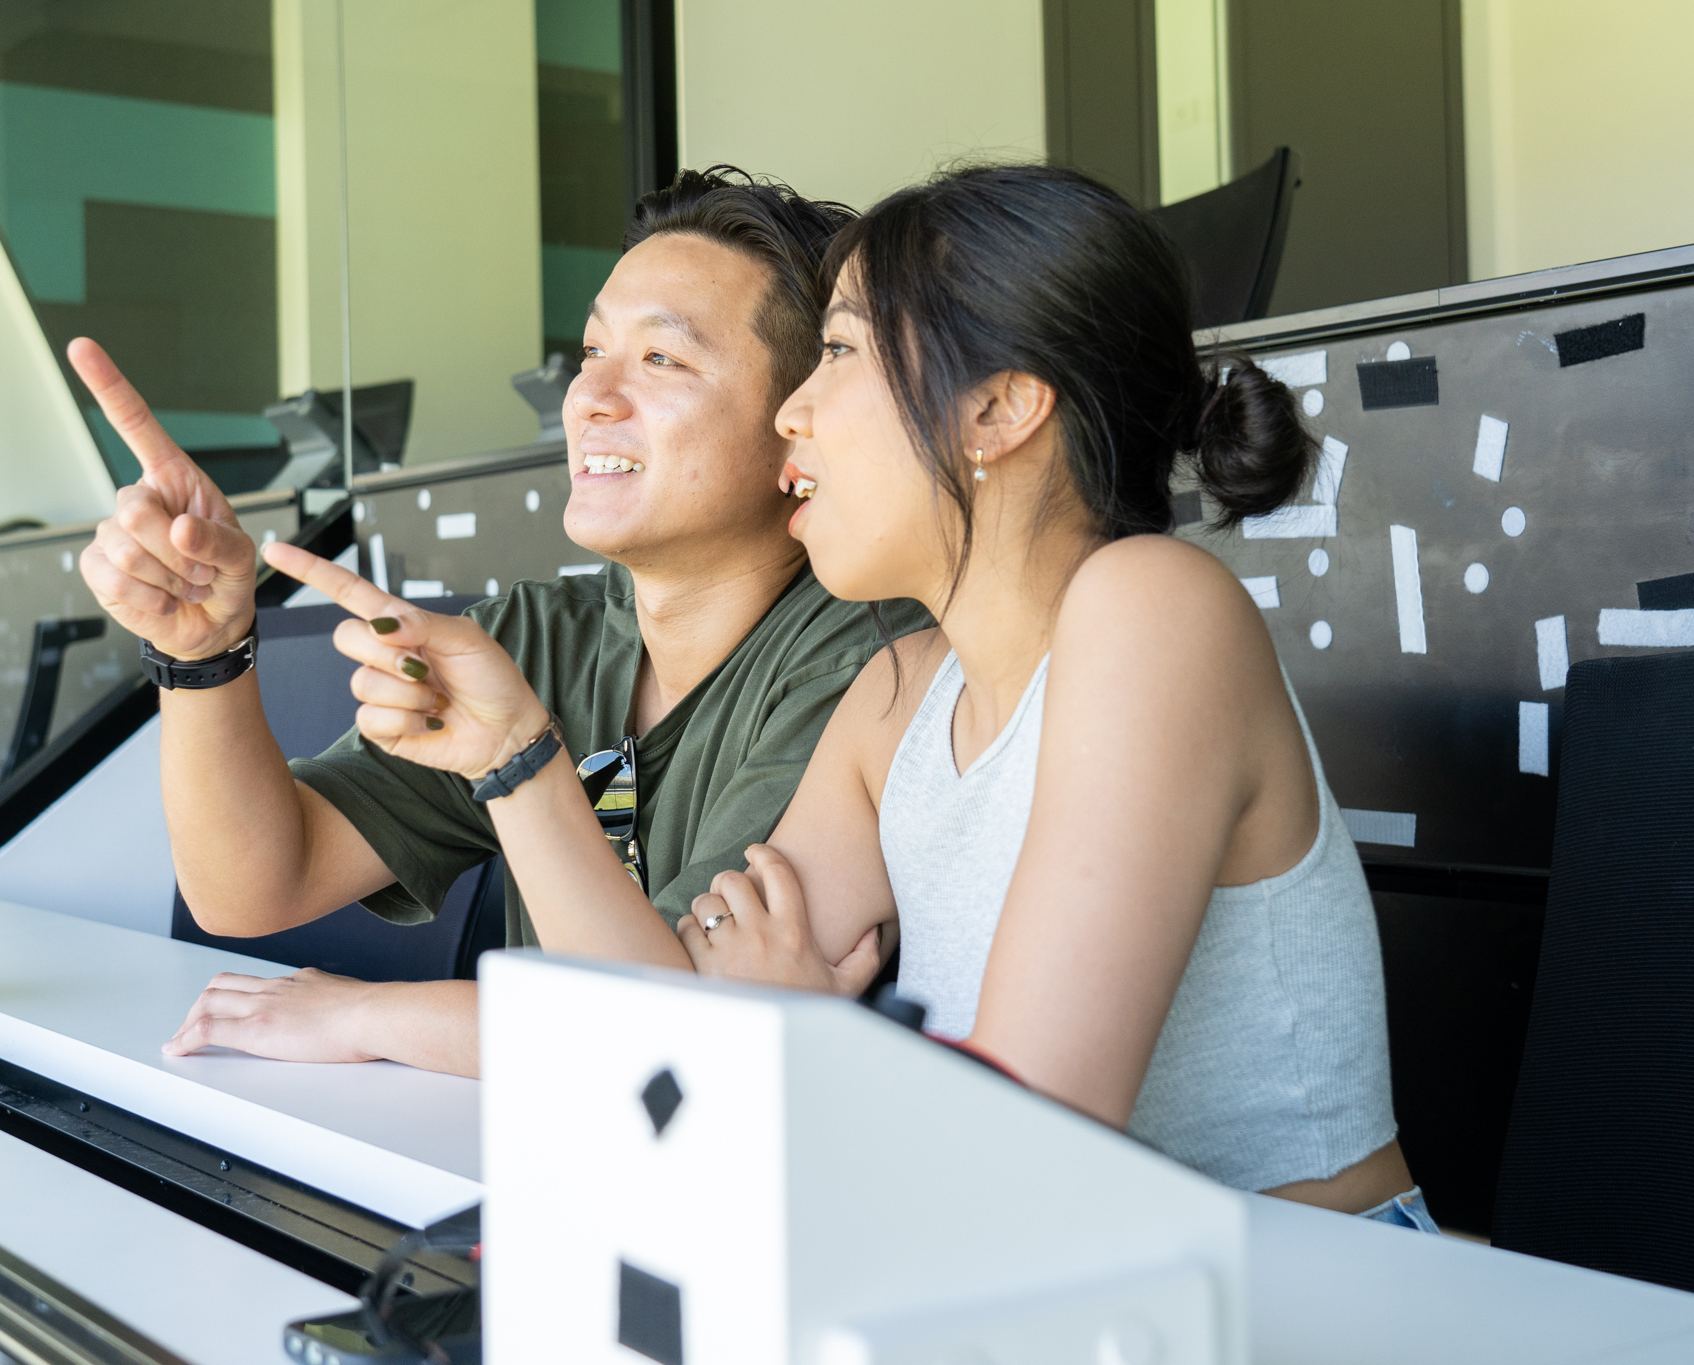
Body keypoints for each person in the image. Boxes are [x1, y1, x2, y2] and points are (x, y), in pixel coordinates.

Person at [344, 163, 1427, 1229]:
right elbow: (663, 1023)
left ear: (996, 408)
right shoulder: (895, 689)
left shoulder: (1153, 609)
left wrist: (809, 1044)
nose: (790, 415)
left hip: (1296, 1292)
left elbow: (1031, 1142)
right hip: (1017, 1275)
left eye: (838, 351)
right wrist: (515, 757)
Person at [74, 166, 928, 1078]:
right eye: (593, 351)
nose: (590, 397)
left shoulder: (864, 661)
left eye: (662, 359)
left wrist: (366, 1014)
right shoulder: (538, 639)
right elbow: (249, 885)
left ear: (794, 426)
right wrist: (201, 651)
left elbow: (666, 1031)